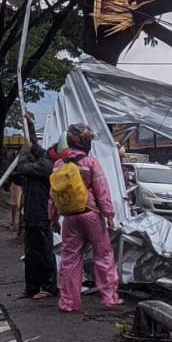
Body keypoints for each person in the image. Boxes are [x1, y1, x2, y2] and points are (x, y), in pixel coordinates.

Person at [49, 124, 121, 313]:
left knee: (70, 259)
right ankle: (110, 298)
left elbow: (54, 195)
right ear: (83, 141)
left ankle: (68, 302)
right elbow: (101, 190)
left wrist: (53, 217)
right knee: (103, 254)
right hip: (91, 214)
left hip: (70, 218)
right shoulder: (90, 163)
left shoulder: (59, 164)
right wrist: (109, 215)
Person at [14, 141, 58, 298]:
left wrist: (25, 150)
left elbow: (22, 167)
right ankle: (31, 287)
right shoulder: (43, 162)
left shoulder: (46, 166)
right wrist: (30, 125)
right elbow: (37, 148)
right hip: (31, 214)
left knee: (44, 252)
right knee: (31, 253)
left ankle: (49, 286)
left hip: (41, 215)